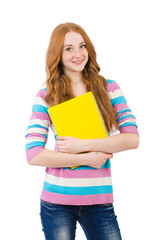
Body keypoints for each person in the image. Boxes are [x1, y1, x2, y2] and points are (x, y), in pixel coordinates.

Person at [25, 22, 139, 240]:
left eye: (82, 46)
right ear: (57, 54)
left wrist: (84, 146)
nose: (78, 54)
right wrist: (87, 159)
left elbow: (132, 139)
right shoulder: (46, 94)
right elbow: (33, 154)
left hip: (99, 200)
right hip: (57, 201)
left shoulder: (109, 88)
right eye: (68, 48)